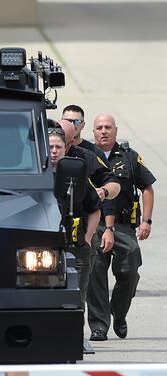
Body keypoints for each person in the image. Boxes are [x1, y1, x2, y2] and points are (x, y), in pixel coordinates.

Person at [87, 113, 156, 341]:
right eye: (99, 127)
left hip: (123, 226)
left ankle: (119, 311)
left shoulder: (128, 157)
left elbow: (147, 188)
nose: (104, 131)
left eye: (108, 127)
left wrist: (146, 221)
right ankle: (98, 325)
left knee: (129, 271)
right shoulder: (85, 155)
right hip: (94, 225)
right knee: (95, 273)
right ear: (93, 131)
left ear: (116, 130)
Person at [50, 125, 101, 306]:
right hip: (46, 246)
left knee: (77, 297)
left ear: (66, 148)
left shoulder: (77, 174)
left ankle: (75, 333)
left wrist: (88, 237)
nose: (54, 151)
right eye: (50, 147)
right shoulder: (35, 177)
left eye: (58, 147)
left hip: (76, 245)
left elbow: (95, 208)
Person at [56, 118, 120, 255]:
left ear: (70, 143)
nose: (55, 150)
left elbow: (113, 184)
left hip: (79, 234)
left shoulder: (85, 158)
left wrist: (104, 191)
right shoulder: (37, 157)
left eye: (63, 144)